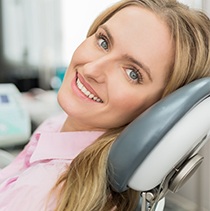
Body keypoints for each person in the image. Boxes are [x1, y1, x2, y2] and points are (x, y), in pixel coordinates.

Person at [0, 0, 210, 210]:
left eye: (132, 73)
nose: (92, 69)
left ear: (157, 111)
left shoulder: (41, 194)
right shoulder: (61, 126)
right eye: (103, 42)